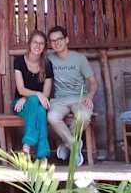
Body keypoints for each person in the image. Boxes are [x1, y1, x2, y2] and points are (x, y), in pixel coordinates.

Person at [46, 26, 97, 166]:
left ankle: (66, 143)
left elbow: (93, 83)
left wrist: (90, 96)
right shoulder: (48, 58)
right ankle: (74, 145)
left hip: (80, 98)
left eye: (59, 39)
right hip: (59, 100)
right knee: (52, 117)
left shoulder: (79, 59)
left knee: (84, 116)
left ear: (67, 40)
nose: (56, 43)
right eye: (53, 41)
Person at [12, 30, 53, 159]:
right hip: (20, 104)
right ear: (29, 43)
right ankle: (43, 152)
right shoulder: (19, 61)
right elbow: (21, 89)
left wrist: (34, 96)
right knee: (36, 103)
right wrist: (32, 96)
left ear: (44, 47)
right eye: (35, 42)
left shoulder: (47, 64)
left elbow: (45, 95)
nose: (38, 46)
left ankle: (27, 146)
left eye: (41, 43)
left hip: (39, 104)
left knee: (39, 109)